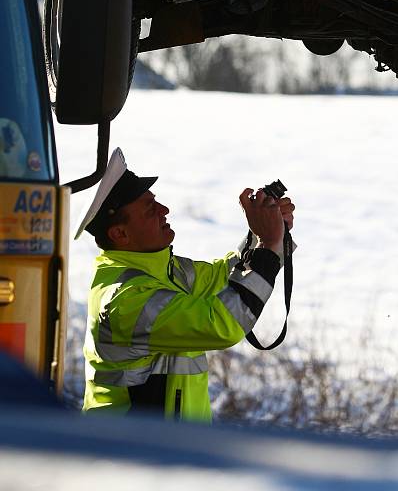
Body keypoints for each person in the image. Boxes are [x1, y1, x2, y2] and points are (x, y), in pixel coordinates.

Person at [75, 148, 295, 421]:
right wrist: (269, 245)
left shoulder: (168, 271)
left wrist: (262, 233)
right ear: (120, 233)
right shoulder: (124, 298)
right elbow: (224, 324)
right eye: (149, 209)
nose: (164, 210)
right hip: (131, 454)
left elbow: (225, 278)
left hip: (169, 450)